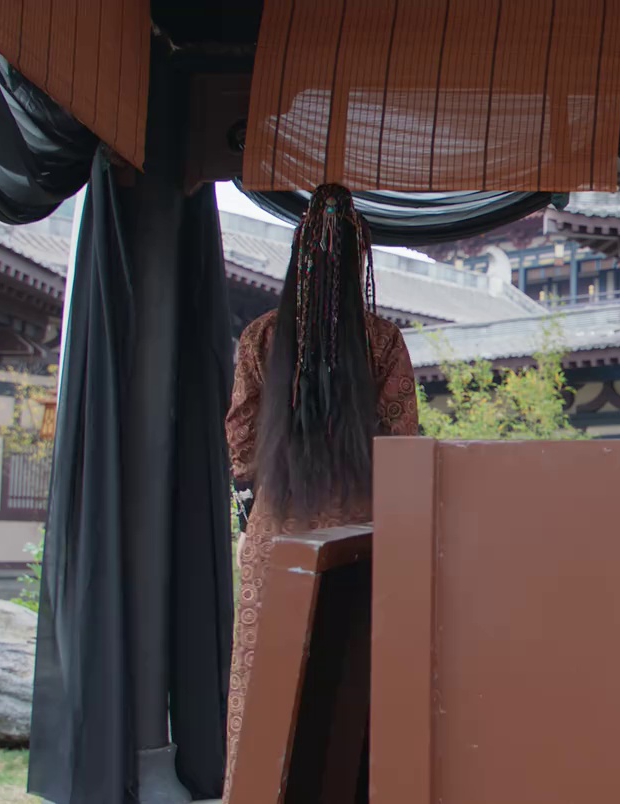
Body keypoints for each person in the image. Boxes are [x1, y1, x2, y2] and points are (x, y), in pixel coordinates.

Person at [222, 184, 419, 787]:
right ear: (360, 259)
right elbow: (403, 439)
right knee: (351, 668)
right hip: (361, 532)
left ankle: (257, 788)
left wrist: (255, 501)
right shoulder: (382, 340)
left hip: (278, 526)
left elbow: (240, 439)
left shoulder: (260, 336)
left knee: (267, 668)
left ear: (298, 256)